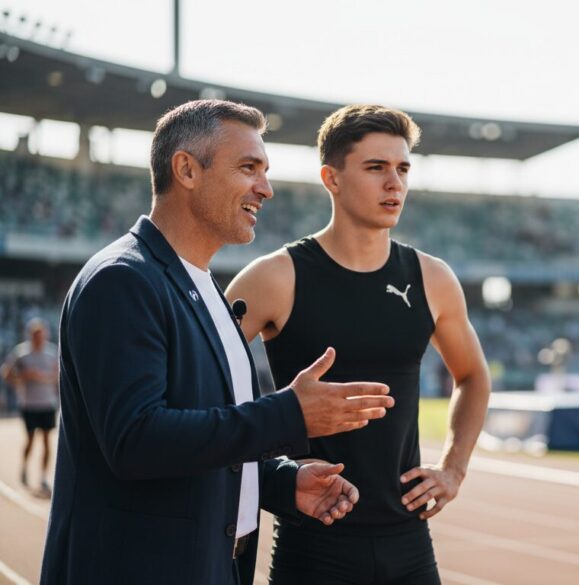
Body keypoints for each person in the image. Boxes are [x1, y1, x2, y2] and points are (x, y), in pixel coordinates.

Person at [40, 100, 396, 585]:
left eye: (265, 171)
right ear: (186, 169)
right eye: (248, 168)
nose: (266, 189)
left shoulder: (205, 285)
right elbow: (136, 441)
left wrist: (278, 481)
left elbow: (204, 437)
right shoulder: (122, 281)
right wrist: (288, 414)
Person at [226, 104, 491, 584]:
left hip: (409, 542)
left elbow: (472, 377)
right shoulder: (275, 277)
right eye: (376, 168)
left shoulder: (432, 278)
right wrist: (276, 462)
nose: (395, 183)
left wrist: (454, 469)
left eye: (403, 168)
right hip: (314, 542)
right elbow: (200, 383)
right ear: (332, 177)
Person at [1, 317, 59, 493]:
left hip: (47, 402)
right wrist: (23, 378)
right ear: (30, 335)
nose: (38, 338)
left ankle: (43, 477)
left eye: (41, 334)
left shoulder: (52, 352)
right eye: (35, 335)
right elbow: (7, 373)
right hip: (29, 403)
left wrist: (43, 377)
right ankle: (25, 466)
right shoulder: (21, 353)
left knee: (47, 440)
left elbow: (58, 375)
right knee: (31, 439)